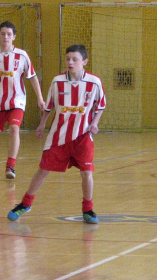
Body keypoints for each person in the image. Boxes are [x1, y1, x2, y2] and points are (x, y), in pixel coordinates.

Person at [7, 44, 106, 224]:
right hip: (58, 136)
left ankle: (88, 209)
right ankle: (26, 203)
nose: (70, 62)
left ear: (84, 62)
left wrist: (94, 123)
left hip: (83, 136)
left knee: (86, 173)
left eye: (75, 59)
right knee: (43, 170)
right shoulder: (57, 81)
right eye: (68, 59)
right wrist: (42, 124)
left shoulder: (94, 82)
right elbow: (49, 106)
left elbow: (101, 105)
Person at [0, 21, 45, 180]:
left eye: (8, 34)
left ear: (14, 37)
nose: (5, 37)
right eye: (2, 34)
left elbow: (32, 77)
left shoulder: (22, 55)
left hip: (17, 100)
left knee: (14, 128)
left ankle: (10, 166)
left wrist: (40, 99)